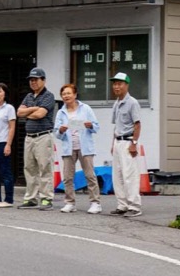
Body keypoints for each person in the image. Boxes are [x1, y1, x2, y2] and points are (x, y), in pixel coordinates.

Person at [54, 84, 101, 214]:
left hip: (85, 147)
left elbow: (96, 127)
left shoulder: (85, 108)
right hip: (68, 148)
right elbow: (57, 133)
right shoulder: (61, 112)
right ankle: (70, 203)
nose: (66, 96)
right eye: (64, 94)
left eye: (68, 93)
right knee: (68, 177)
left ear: (75, 95)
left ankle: (95, 203)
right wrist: (61, 130)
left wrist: (90, 125)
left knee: (90, 175)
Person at [16, 67, 57, 209]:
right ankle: (31, 198)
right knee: (29, 168)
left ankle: (46, 198)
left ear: (43, 80)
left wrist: (28, 112)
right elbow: (19, 112)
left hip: (43, 136)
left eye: (36, 79)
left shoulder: (48, 96)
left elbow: (40, 115)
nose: (33, 82)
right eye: (31, 80)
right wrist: (34, 109)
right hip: (29, 137)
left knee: (44, 167)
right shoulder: (28, 96)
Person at [109, 72, 143, 217]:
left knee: (130, 175)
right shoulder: (116, 103)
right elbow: (116, 126)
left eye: (119, 83)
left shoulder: (132, 102)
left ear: (126, 85)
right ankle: (122, 205)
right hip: (118, 142)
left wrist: (134, 143)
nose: (116, 86)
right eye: (115, 83)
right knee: (117, 176)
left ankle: (134, 206)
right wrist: (112, 143)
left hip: (128, 142)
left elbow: (137, 124)